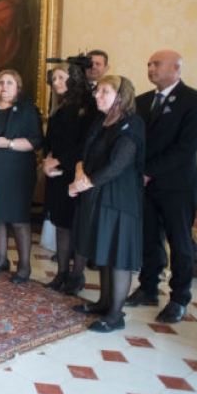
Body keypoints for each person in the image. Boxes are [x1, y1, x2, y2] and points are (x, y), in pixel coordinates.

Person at [126, 50, 197, 323]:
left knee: (180, 243)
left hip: (177, 185)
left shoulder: (196, 101)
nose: (150, 68)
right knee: (148, 239)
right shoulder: (141, 101)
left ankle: (179, 298)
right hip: (145, 185)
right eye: (149, 63)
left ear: (176, 67)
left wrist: (148, 172)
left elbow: (186, 148)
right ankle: (148, 288)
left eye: (156, 64)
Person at [69, 75, 145, 332]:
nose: (97, 95)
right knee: (103, 250)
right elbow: (83, 154)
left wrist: (83, 184)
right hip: (98, 195)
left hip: (119, 200)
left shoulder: (132, 124)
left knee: (118, 255)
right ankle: (103, 302)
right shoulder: (101, 122)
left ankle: (115, 315)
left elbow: (117, 166)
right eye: (97, 90)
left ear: (121, 97)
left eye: (105, 91)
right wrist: (80, 173)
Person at [42, 62, 97, 295]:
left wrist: (60, 161)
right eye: (54, 79)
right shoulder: (59, 106)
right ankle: (62, 273)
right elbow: (51, 139)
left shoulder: (89, 106)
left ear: (74, 78)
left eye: (61, 78)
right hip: (56, 175)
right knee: (61, 225)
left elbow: (87, 144)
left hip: (78, 173)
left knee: (79, 225)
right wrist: (47, 160)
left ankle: (77, 276)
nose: (57, 83)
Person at [0, 69, 43, 284]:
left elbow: (36, 141)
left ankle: (24, 266)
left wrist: (7, 143)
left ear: (18, 87)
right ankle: (1, 260)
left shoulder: (28, 110)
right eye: (1, 82)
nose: (5, 86)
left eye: (10, 82)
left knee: (19, 219)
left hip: (18, 172)